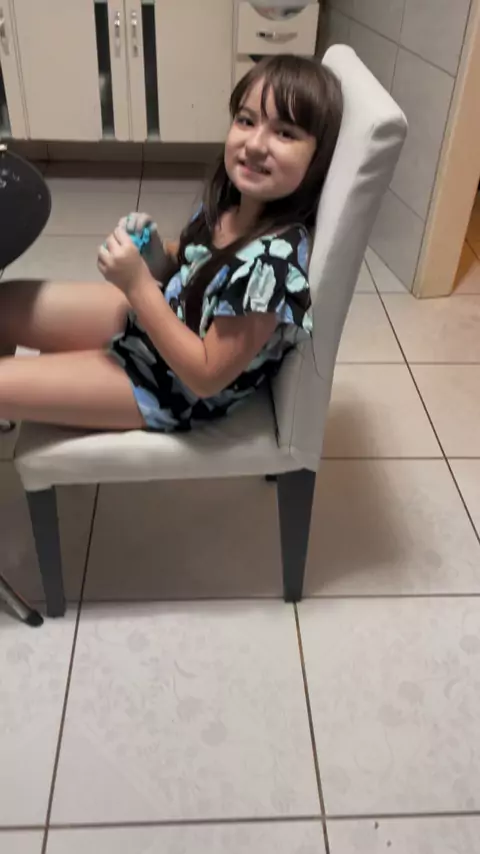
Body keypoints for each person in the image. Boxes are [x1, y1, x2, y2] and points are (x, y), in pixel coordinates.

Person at [0, 55, 342, 433]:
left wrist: (136, 284)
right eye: (246, 121)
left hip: (169, 387)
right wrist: (153, 255)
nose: (256, 144)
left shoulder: (270, 268)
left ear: (317, 159)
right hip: (158, 326)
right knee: (5, 302)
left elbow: (206, 376)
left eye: (285, 133)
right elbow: (186, 264)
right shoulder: (231, 203)